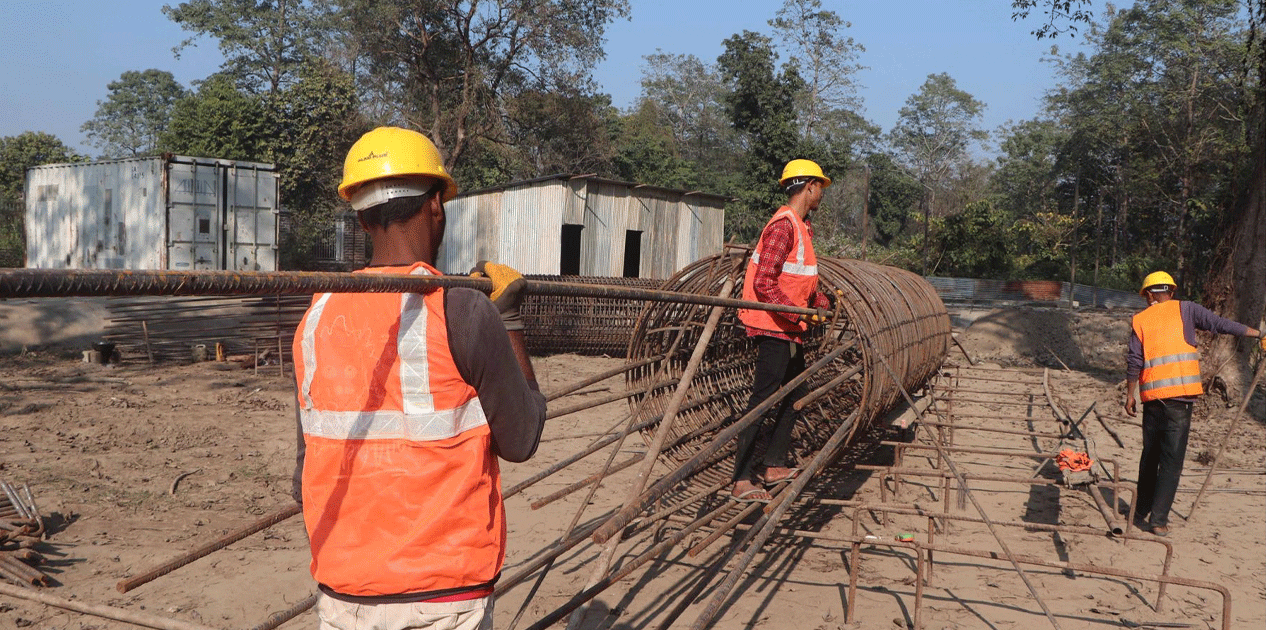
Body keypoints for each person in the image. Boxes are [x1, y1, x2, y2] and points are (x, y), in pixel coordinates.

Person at [290, 126, 547, 629]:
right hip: (444, 597)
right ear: (436, 205)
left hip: (345, 598)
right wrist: (510, 318)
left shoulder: (314, 319)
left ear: (362, 218)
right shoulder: (463, 309)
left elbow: (305, 477)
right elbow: (523, 438)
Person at [1124, 271, 1263, 536]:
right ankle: (1158, 520)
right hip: (1180, 399)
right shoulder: (1187, 310)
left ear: (1150, 295)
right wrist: (1258, 333)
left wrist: (1130, 394)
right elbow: (1221, 324)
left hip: (1152, 399)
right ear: (1171, 292)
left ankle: (1140, 509)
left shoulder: (1140, 319)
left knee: (1149, 456)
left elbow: (1134, 360)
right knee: (1171, 460)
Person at [731, 159, 834, 503]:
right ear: (809, 187)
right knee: (762, 401)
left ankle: (773, 463)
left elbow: (799, 279)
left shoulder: (802, 226)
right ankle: (742, 478)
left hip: (789, 325)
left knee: (795, 393)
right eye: (820, 186)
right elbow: (764, 282)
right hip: (774, 326)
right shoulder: (784, 226)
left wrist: (818, 301)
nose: (821, 193)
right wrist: (794, 315)